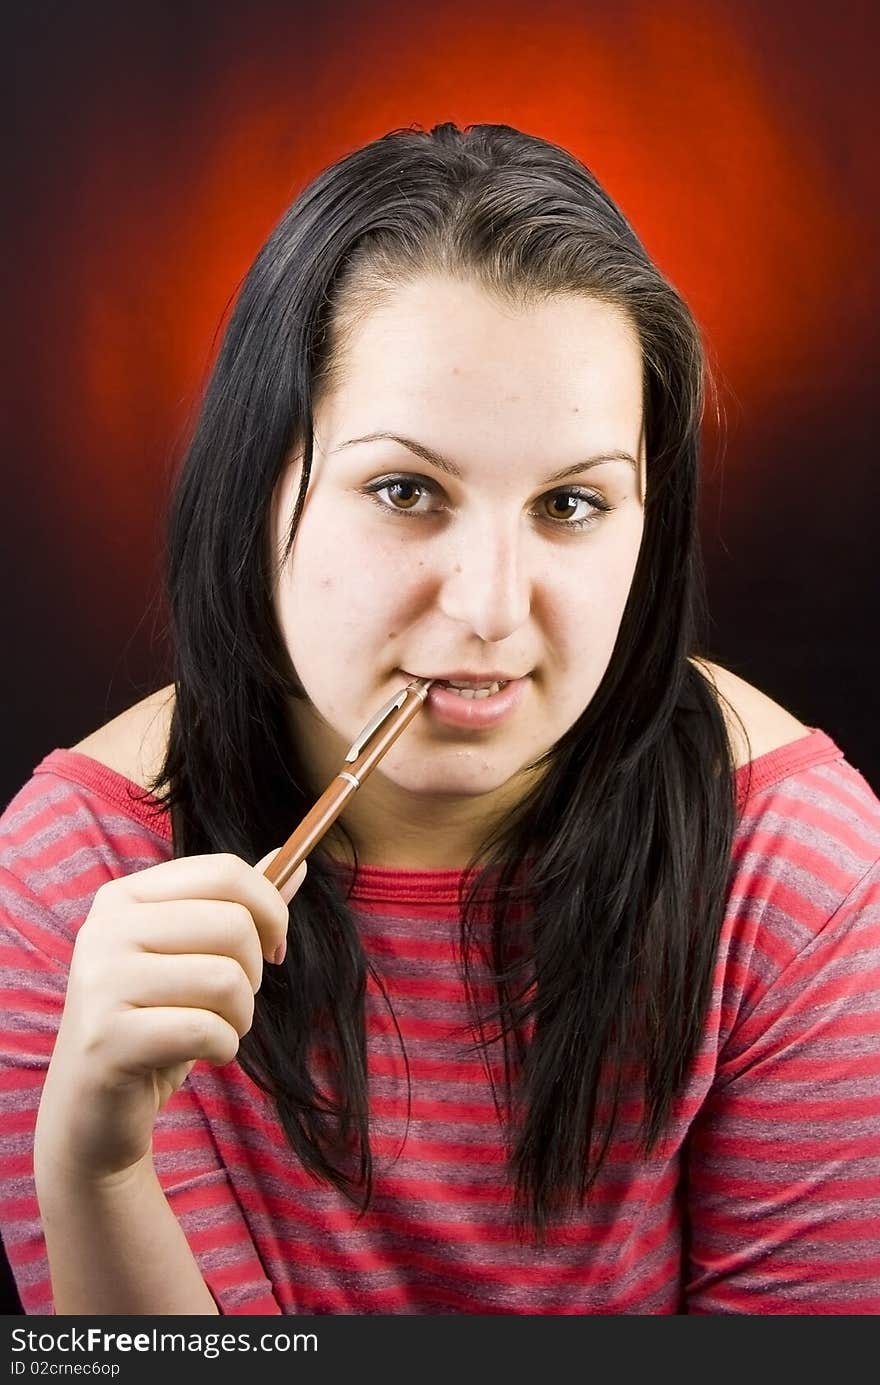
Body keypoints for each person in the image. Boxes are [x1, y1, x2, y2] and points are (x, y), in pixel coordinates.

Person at [1, 121, 879, 1318]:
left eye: (572, 501)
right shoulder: (65, 876)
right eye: (405, 491)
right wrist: (95, 1171)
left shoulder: (795, 861)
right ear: (253, 485)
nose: (485, 607)